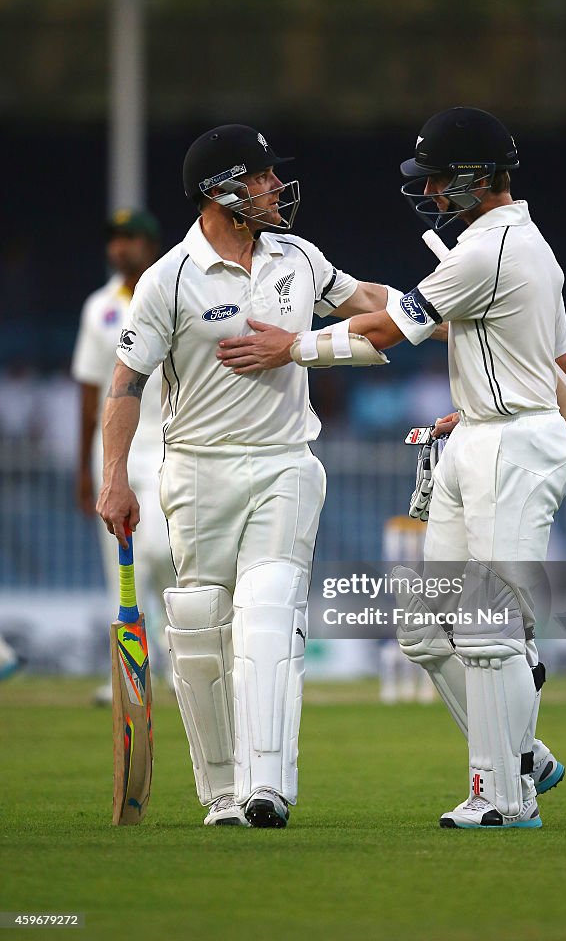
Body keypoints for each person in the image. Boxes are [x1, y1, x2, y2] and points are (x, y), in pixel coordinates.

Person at [96, 124, 402, 829]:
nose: (273, 188)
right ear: (221, 192)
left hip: (285, 462)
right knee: (201, 625)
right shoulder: (168, 279)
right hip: (197, 471)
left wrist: (441, 310)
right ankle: (224, 795)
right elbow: (125, 384)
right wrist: (115, 476)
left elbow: (364, 302)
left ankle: (269, 786)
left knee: (268, 608)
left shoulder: (298, 256)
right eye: (260, 177)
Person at [287, 107, 566, 829]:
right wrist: (477, 403)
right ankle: (524, 752)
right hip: (481, 432)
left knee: (487, 625)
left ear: (479, 178)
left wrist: (293, 348)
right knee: (424, 629)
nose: (432, 192)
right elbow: (556, 361)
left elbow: (390, 329)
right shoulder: (514, 248)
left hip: (514, 444)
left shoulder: (493, 251)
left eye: (442, 179)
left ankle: (505, 796)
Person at [72, 209, 175, 704]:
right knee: (119, 568)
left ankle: (177, 665)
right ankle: (127, 678)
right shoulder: (98, 308)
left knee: (163, 553)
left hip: (164, 439)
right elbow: (90, 391)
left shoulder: (170, 292)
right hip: (111, 450)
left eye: (130, 238)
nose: (120, 247)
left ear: (149, 245)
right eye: (114, 239)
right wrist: (82, 466)